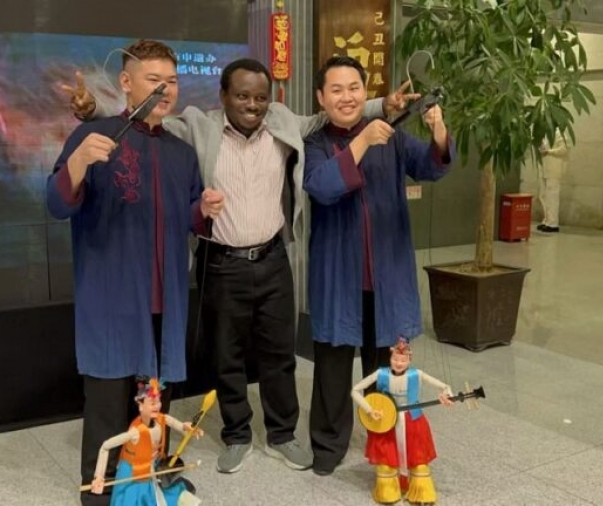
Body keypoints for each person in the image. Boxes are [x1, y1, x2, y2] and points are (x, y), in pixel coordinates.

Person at [65, 58, 414, 474]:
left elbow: (333, 111)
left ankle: (282, 434)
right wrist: (95, 111)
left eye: (260, 97)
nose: (252, 104)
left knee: (279, 354)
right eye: (243, 96)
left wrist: (383, 105)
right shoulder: (198, 125)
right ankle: (236, 434)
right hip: (221, 261)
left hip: (273, 258)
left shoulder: (282, 121)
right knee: (226, 357)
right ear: (224, 96)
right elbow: (149, 116)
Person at [47, 39, 223, 506]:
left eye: (172, 81)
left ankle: (150, 480)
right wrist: (79, 162)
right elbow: (57, 203)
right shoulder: (95, 137)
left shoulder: (181, 152)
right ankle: (101, 493)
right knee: (107, 405)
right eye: (154, 80)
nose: (166, 90)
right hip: (111, 296)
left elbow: (188, 216)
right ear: (126, 82)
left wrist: (203, 209)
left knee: (154, 403)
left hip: (166, 296)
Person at [302, 56, 454, 476]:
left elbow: (431, 166)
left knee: (387, 370)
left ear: (364, 91)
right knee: (332, 367)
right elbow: (322, 186)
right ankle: (328, 446)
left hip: (387, 274)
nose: (347, 97)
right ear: (321, 97)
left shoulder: (394, 136)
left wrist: (438, 129)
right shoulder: (315, 144)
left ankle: (386, 442)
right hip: (338, 277)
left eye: (354, 88)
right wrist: (364, 140)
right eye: (336, 90)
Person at [352, 338, 455, 505]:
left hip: (413, 419)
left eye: (403, 360)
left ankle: (421, 492)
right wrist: (369, 409)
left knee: (417, 458)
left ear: (409, 360)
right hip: (387, 421)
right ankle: (388, 490)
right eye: (395, 359)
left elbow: (445, 387)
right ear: (390, 358)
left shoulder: (416, 374)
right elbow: (355, 390)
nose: (399, 363)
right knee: (386, 458)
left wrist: (447, 394)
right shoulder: (381, 374)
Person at [90, 377, 203, 506]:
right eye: (152, 403)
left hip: (152, 467)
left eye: (158, 401)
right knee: (133, 499)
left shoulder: (162, 419)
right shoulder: (135, 432)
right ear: (141, 405)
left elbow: (181, 427)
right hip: (133, 472)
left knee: (156, 494)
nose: (157, 405)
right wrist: (99, 477)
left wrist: (187, 428)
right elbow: (105, 446)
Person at [537, 130, 570, 233]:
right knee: (543, 195)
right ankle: (546, 220)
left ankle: (553, 223)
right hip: (544, 167)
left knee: (552, 196)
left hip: (553, 168)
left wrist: (549, 152)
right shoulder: (544, 133)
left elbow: (564, 149)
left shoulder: (559, 132)